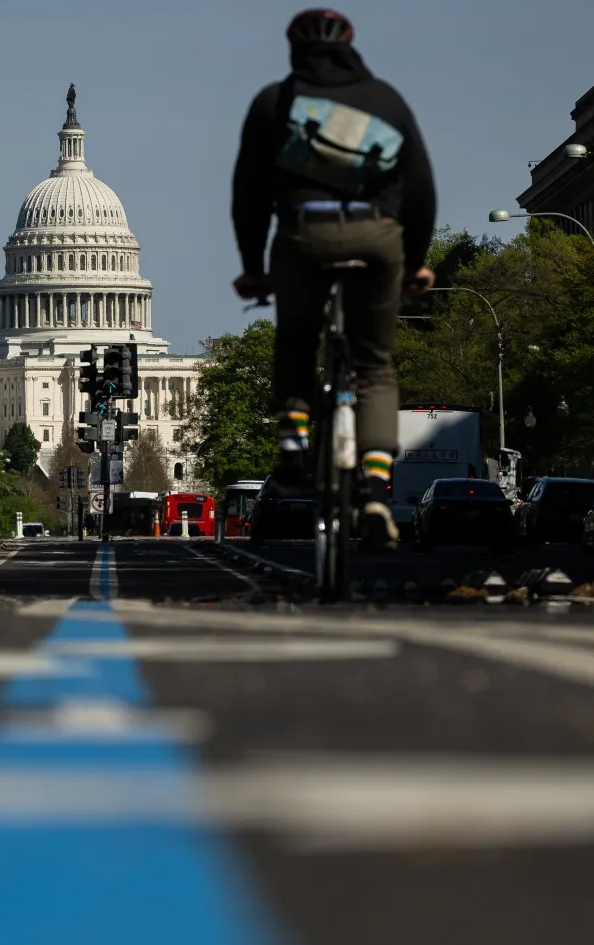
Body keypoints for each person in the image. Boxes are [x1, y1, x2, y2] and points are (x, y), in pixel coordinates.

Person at [231, 9, 436, 545]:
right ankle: (374, 485)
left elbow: (248, 195)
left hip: (304, 236)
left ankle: (294, 439)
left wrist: (253, 268)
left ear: (294, 50)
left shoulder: (274, 102)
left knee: (297, 336)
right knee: (374, 365)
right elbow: (421, 191)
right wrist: (415, 260)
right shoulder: (388, 100)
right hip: (379, 239)